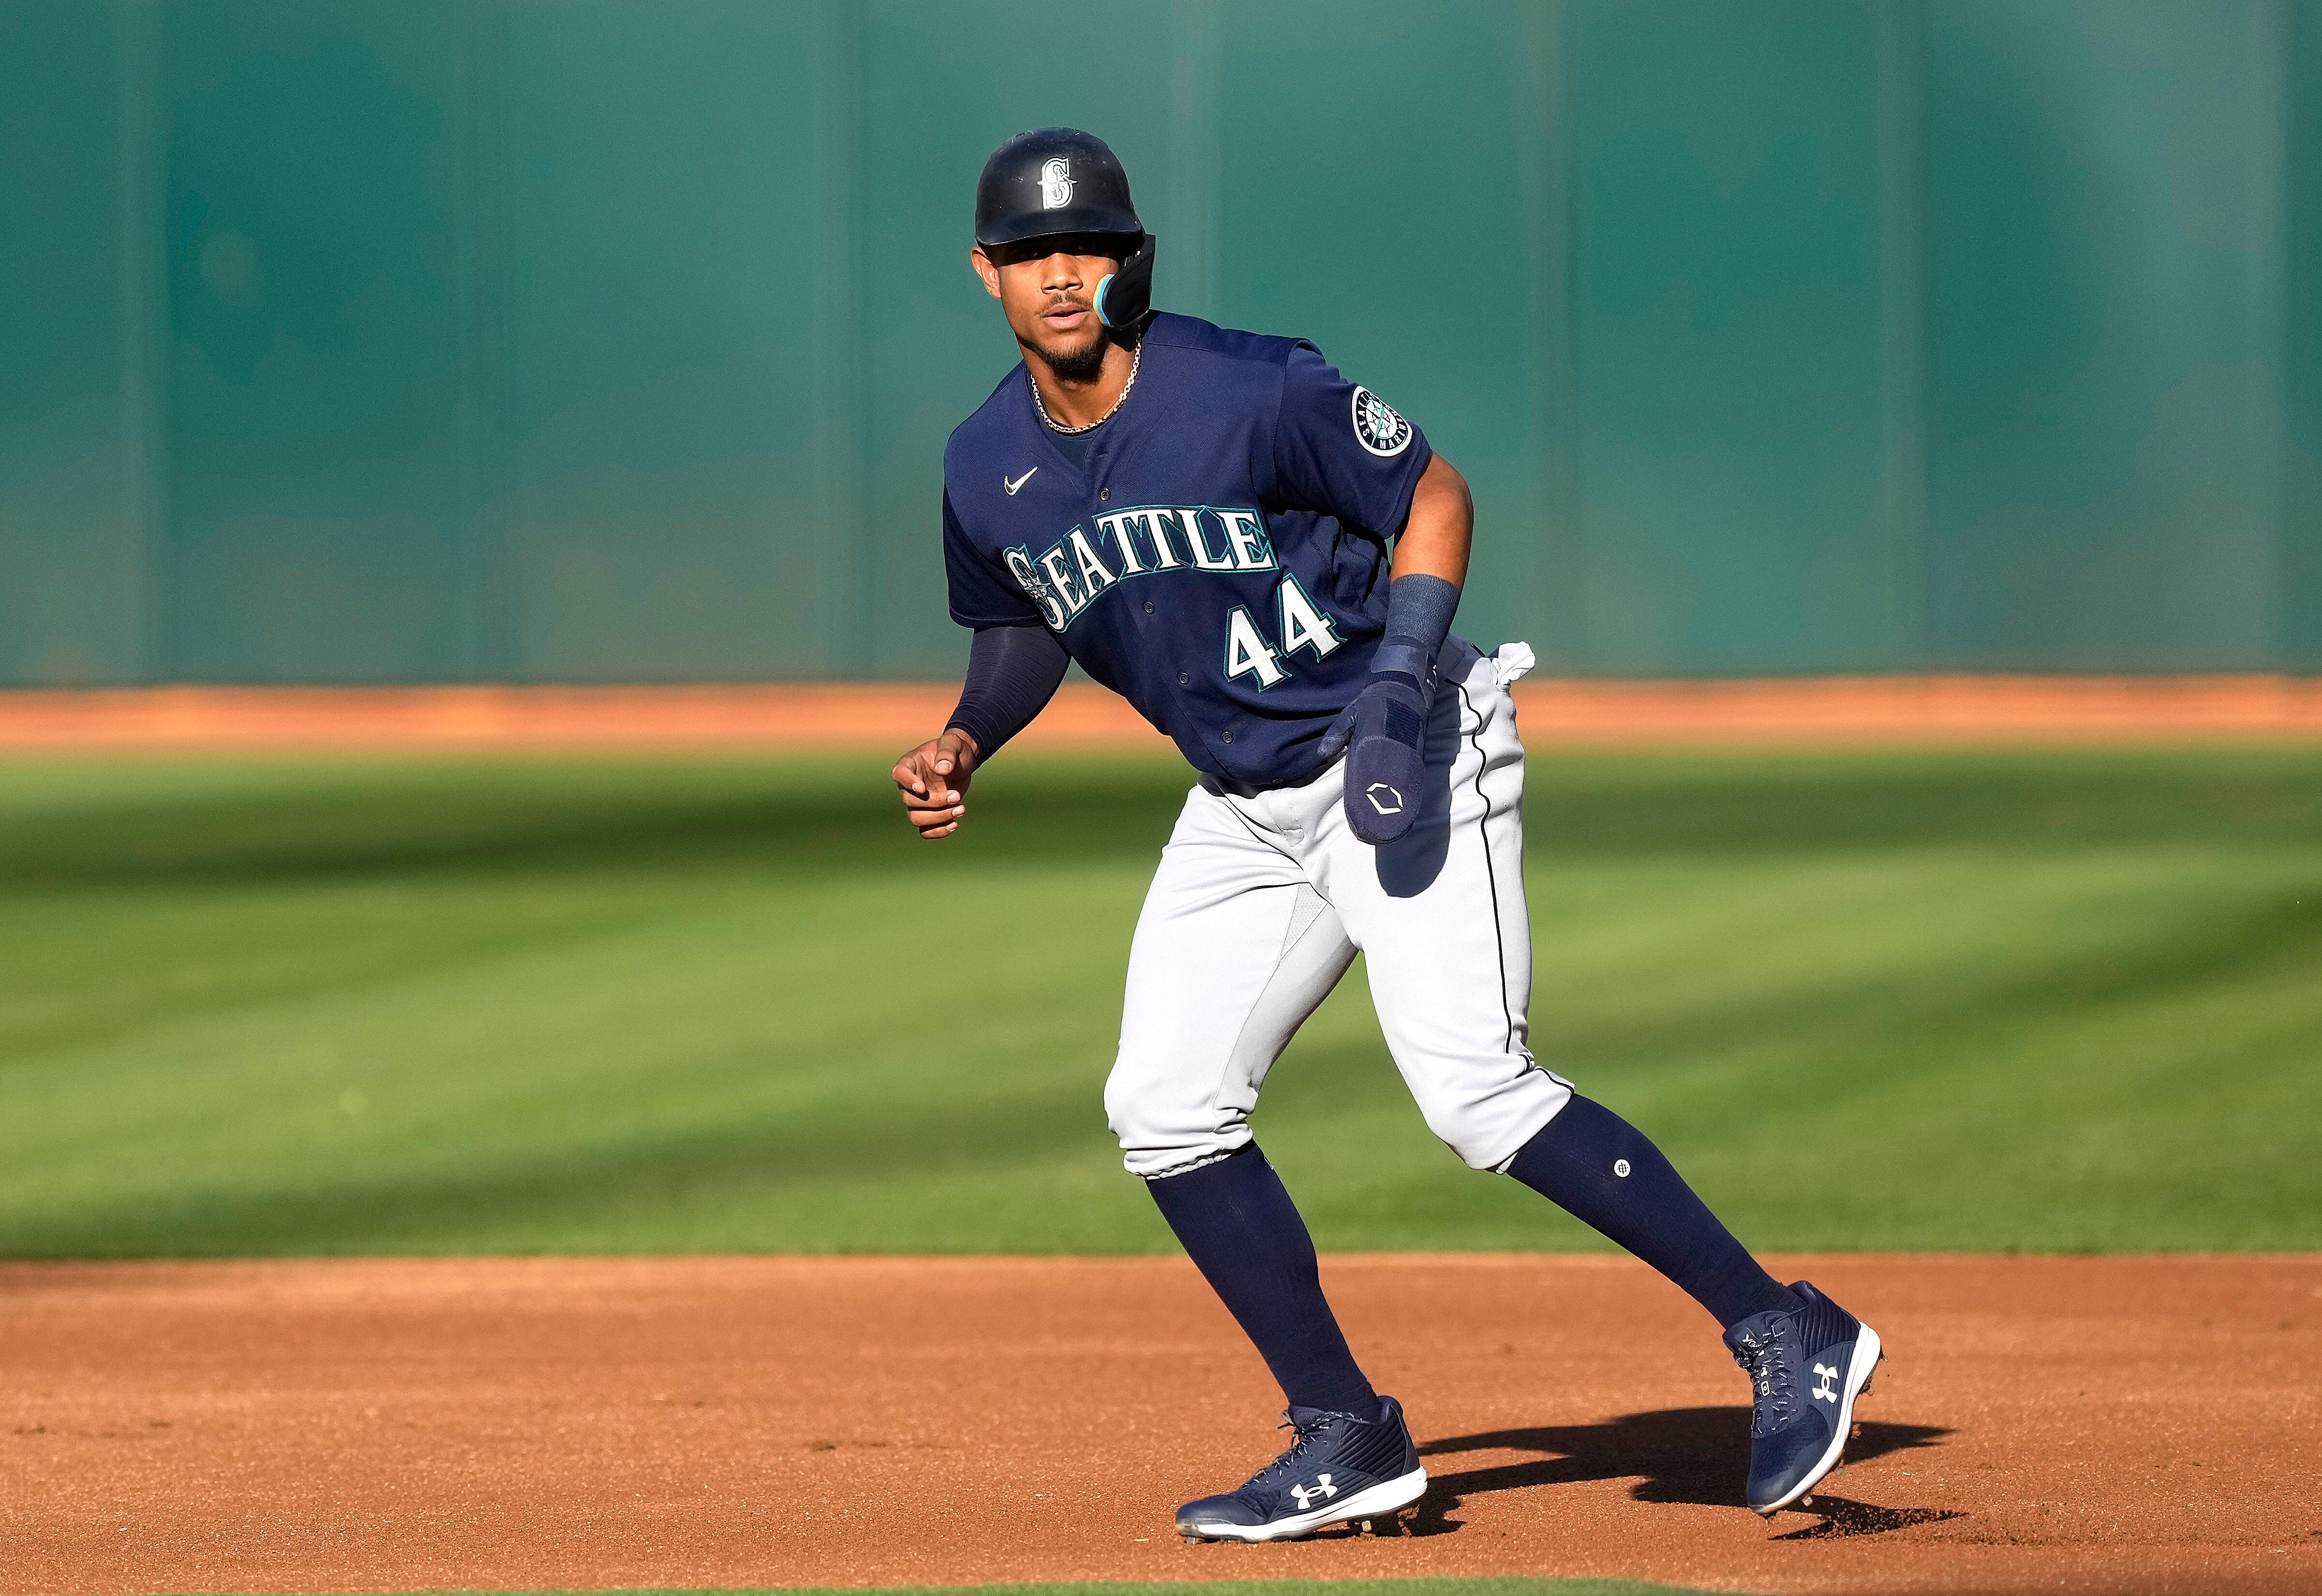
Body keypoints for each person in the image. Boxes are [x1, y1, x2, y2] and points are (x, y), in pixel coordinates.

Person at [892, 127, 1882, 1544]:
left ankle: (1789, 1328)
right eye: (1035, 253)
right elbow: (1019, 626)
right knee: (1163, 1105)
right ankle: (1347, 1432)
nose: (1065, 274)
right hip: (1243, 797)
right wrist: (968, 735)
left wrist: (1400, 688)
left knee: (1473, 1086)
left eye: (1092, 247)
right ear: (985, 274)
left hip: (1408, 738)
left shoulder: (1249, 386)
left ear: (1134, 258)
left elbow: (1434, 494)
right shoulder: (986, 463)